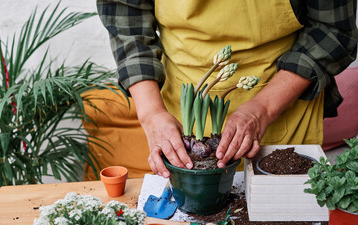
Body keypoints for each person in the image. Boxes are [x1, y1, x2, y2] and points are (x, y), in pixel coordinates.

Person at [86, 0, 358, 180]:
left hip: (284, 96)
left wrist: (262, 109)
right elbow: (127, 25)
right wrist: (152, 114)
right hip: (182, 98)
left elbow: (333, 30)